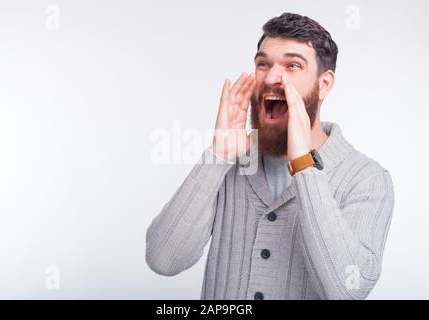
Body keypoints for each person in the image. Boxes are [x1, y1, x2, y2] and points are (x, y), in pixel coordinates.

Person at [145, 12, 395, 300]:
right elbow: (163, 260)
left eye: (292, 65)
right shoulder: (230, 160)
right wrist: (218, 156)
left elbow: (347, 291)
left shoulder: (368, 179)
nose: (272, 77)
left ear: (324, 84)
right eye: (263, 64)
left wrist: (303, 164)